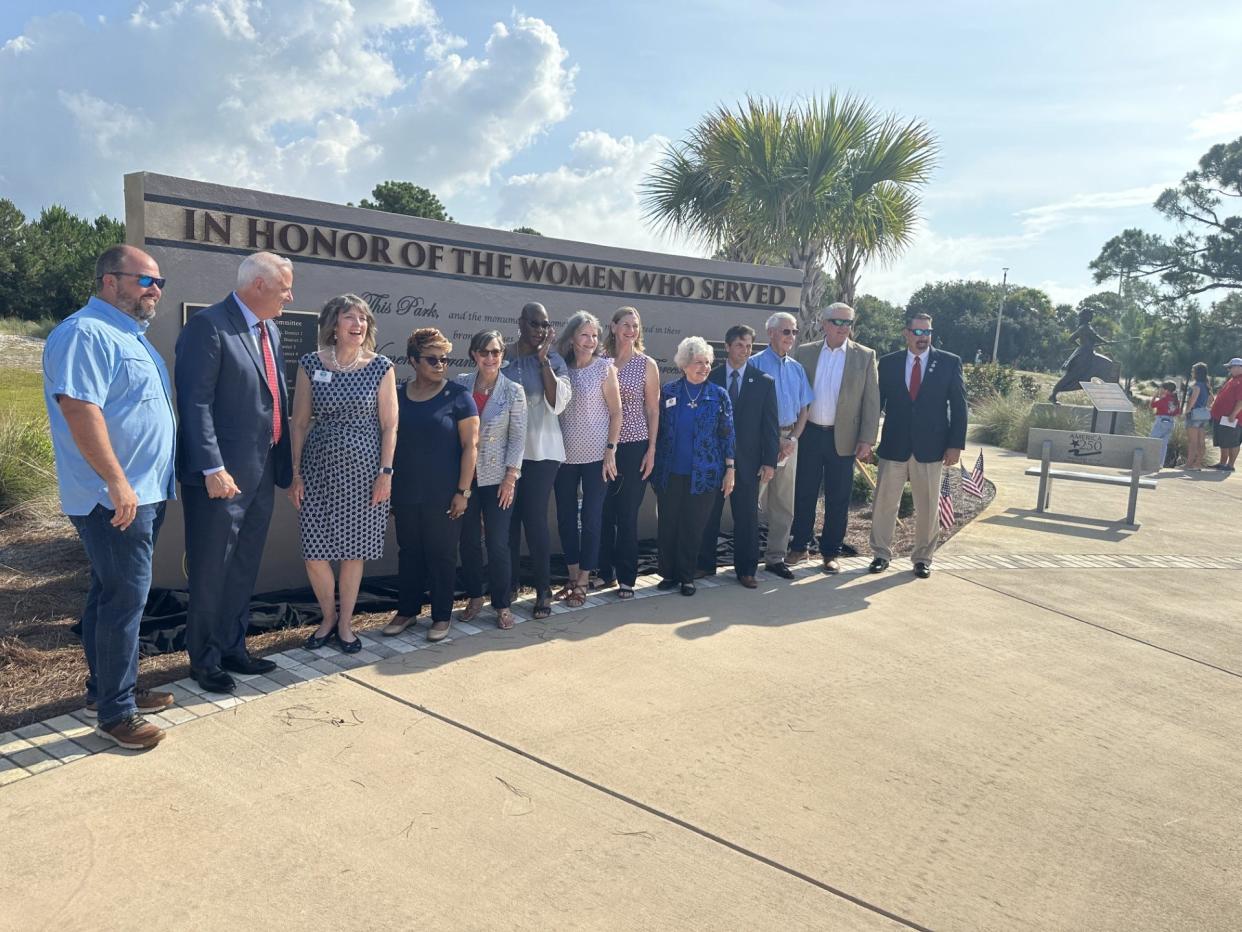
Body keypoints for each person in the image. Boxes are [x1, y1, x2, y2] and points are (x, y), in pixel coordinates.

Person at [42, 245, 177, 749]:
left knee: (110, 593)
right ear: (109, 281)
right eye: (145, 281)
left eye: (159, 282)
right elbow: (80, 410)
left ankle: (108, 690)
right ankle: (117, 714)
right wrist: (117, 481)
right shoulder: (84, 333)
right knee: (125, 599)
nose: (156, 290)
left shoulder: (130, 337)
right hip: (113, 497)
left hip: (142, 492)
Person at [175, 251, 294, 694]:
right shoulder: (208, 326)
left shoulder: (271, 330)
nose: (290, 295)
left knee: (243, 565)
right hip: (219, 478)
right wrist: (213, 466)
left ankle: (232, 647)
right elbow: (195, 403)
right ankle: (203, 660)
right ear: (258, 285)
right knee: (212, 567)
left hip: (261, 472)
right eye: (285, 287)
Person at [288, 294, 397, 653]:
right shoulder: (309, 363)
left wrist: (385, 473)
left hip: (365, 473)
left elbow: (389, 425)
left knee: (354, 551)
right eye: (350, 317)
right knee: (313, 551)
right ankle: (328, 617)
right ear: (334, 324)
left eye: (363, 319)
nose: (358, 324)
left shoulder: (380, 365)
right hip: (317, 470)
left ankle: (347, 623)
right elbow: (300, 422)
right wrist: (296, 472)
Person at [385, 329, 479, 641]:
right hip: (406, 490)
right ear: (412, 360)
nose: (440, 364)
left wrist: (463, 492)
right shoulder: (397, 395)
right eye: (432, 359)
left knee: (442, 554)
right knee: (409, 551)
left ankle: (441, 615)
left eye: (444, 358)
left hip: (445, 494)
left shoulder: (458, 396)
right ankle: (407, 611)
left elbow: (471, 447)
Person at [869, 313, 967, 579]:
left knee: (927, 505)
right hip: (894, 444)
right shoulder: (888, 364)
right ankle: (880, 554)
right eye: (918, 332)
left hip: (931, 447)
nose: (923, 337)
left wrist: (955, 445)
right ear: (906, 333)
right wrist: (867, 438)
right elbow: (875, 404)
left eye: (928, 332)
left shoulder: (948, 362)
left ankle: (923, 558)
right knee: (885, 503)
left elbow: (959, 407)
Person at [788, 303, 880, 574]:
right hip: (810, 434)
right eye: (837, 322)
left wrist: (867, 439)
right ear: (824, 324)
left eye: (848, 323)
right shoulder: (805, 353)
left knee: (838, 497)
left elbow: (871, 402)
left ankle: (830, 552)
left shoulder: (864, 356)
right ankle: (799, 546)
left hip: (845, 438)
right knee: (804, 493)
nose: (843, 328)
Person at [454, 330, 527, 629]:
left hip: (498, 479)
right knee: (468, 541)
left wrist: (511, 477)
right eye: (484, 352)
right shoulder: (459, 385)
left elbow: (518, 438)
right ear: (474, 354)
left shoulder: (514, 391)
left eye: (496, 352)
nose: (490, 358)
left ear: (502, 355)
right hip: (464, 478)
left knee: (498, 543)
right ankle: (474, 596)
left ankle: (502, 603)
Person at [504, 302, 572, 620]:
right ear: (520, 323)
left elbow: (557, 403)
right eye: (535, 324)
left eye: (546, 325)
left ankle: (543, 590)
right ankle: (510, 585)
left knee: (534, 518)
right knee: (508, 522)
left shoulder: (554, 360)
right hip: (505, 453)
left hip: (542, 453)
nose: (541, 331)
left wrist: (543, 362)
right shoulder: (501, 354)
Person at [652, 337, 736, 596]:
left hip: (705, 474)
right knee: (668, 524)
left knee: (693, 526)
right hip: (669, 472)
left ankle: (687, 576)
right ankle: (669, 574)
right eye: (699, 362)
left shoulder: (718, 395)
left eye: (708, 363)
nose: (705, 367)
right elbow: (657, 428)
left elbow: (728, 434)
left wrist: (730, 469)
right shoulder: (669, 392)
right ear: (685, 364)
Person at [696, 324, 778, 588]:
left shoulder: (763, 382)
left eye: (749, 346)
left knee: (746, 518)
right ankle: (704, 564)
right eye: (740, 345)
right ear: (728, 346)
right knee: (709, 514)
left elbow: (770, 426)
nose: (745, 351)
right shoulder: (712, 378)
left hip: (749, 463)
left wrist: (769, 462)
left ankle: (746, 570)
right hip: (714, 461)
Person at [553, 311, 622, 608]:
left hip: (597, 457)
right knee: (566, 517)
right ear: (572, 338)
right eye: (585, 334)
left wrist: (610, 450)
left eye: (595, 335)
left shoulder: (605, 369)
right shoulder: (561, 369)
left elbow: (616, 412)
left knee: (591, 518)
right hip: (563, 457)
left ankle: (583, 580)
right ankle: (571, 576)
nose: (591, 340)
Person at [597, 307, 660, 599]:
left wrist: (651, 449)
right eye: (626, 324)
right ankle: (604, 573)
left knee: (627, 514)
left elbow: (652, 409)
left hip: (635, 446)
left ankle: (626, 578)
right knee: (603, 512)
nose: (631, 330)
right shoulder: (601, 362)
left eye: (635, 326)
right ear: (613, 326)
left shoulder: (646, 364)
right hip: (602, 448)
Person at [749, 311, 813, 579]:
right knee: (750, 501)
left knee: (784, 504)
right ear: (771, 333)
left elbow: (804, 410)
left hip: (790, 442)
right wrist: (773, 441)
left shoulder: (797, 369)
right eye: (786, 331)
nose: (791, 337)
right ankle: (747, 558)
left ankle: (776, 557)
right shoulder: (753, 365)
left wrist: (793, 439)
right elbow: (749, 410)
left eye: (794, 332)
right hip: (761, 442)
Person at [1209, 357, 1242, 473]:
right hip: (1222, 417)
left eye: (1231, 367)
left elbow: (1240, 401)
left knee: (1232, 441)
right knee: (1224, 440)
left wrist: (1233, 414)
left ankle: (1230, 465)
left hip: (1232, 418)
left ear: (1239, 367)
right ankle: (1223, 463)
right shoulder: (1233, 379)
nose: (1229, 369)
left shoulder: (1240, 381)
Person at [1184, 362, 1212, 470]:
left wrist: (1187, 410)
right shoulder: (1207, 385)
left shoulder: (1196, 385)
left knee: (1192, 441)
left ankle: (1189, 464)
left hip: (1194, 414)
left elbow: (1193, 398)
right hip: (1203, 415)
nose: (1192, 373)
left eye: (1193, 371)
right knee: (1201, 441)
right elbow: (1211, 399)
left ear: (1197, 372)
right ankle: (1198, 463)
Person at [1148, 380, 1181, 469]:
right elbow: (1177, 412)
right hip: (1170, 422)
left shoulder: (1164, 399)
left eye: (1162, 388)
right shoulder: (1175, 400)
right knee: (1163, 444)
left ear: (1166, 390)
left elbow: (1152, 405)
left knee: (1152, 440)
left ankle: (1149, 461)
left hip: (1161, 420)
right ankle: (1160, 463)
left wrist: (1155, 396)